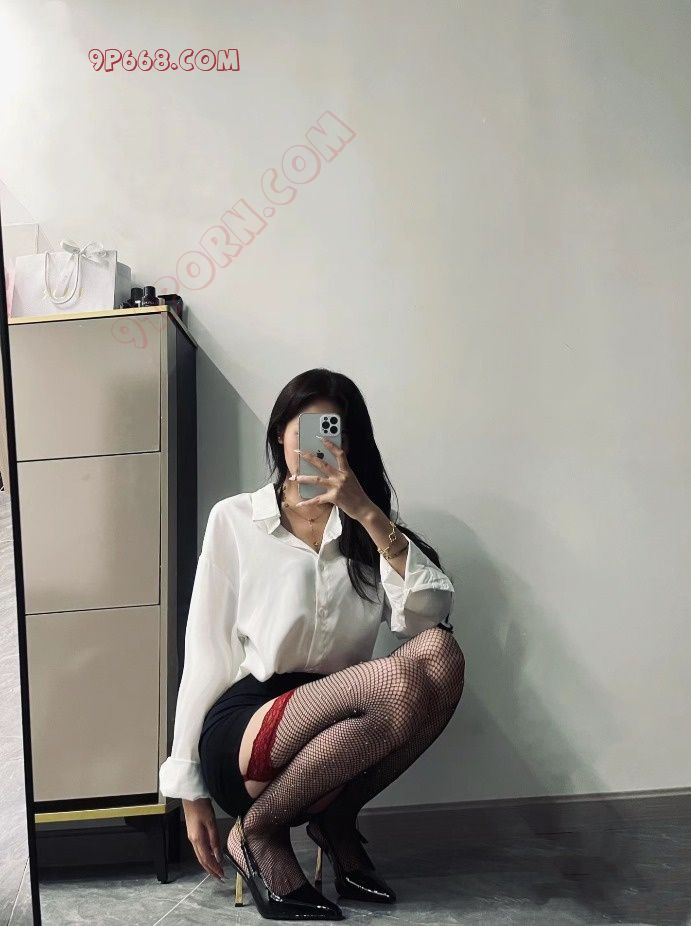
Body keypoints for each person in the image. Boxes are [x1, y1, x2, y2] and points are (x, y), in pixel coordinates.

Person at [159, 368, 466, 920]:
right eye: (305, 427)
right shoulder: (236, 519)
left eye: (333, 430)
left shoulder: (369, 527)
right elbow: (206, 651)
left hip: (340, 722)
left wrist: (366, 512)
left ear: (350, 444)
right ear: (280, 433)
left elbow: (427, 618)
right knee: (397, 679)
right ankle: (257, 834)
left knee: (442, 658)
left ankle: (333, 818)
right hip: (248, 723)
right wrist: (189, 786)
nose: (316, 442)